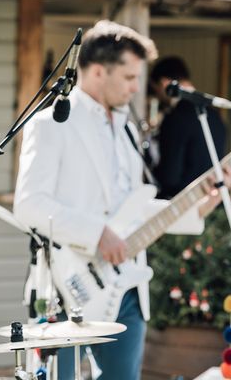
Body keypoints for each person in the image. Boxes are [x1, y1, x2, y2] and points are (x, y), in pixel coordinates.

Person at [14, 20, 224, 380]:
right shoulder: (50, 124)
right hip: (65, 285)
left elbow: (135, 210)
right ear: (97, 71)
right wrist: (97, 233)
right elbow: (29, 204)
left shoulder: (127, 129)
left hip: (126, 288)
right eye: (128, 77)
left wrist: (198, 206)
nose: (136, 87)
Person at [149, 55, 227, 198]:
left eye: (156, 90)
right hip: (212, 199)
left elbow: (169, 177)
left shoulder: (175, 117)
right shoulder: (215, 115)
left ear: (164, 83)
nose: (158, 96)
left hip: (183, 203)